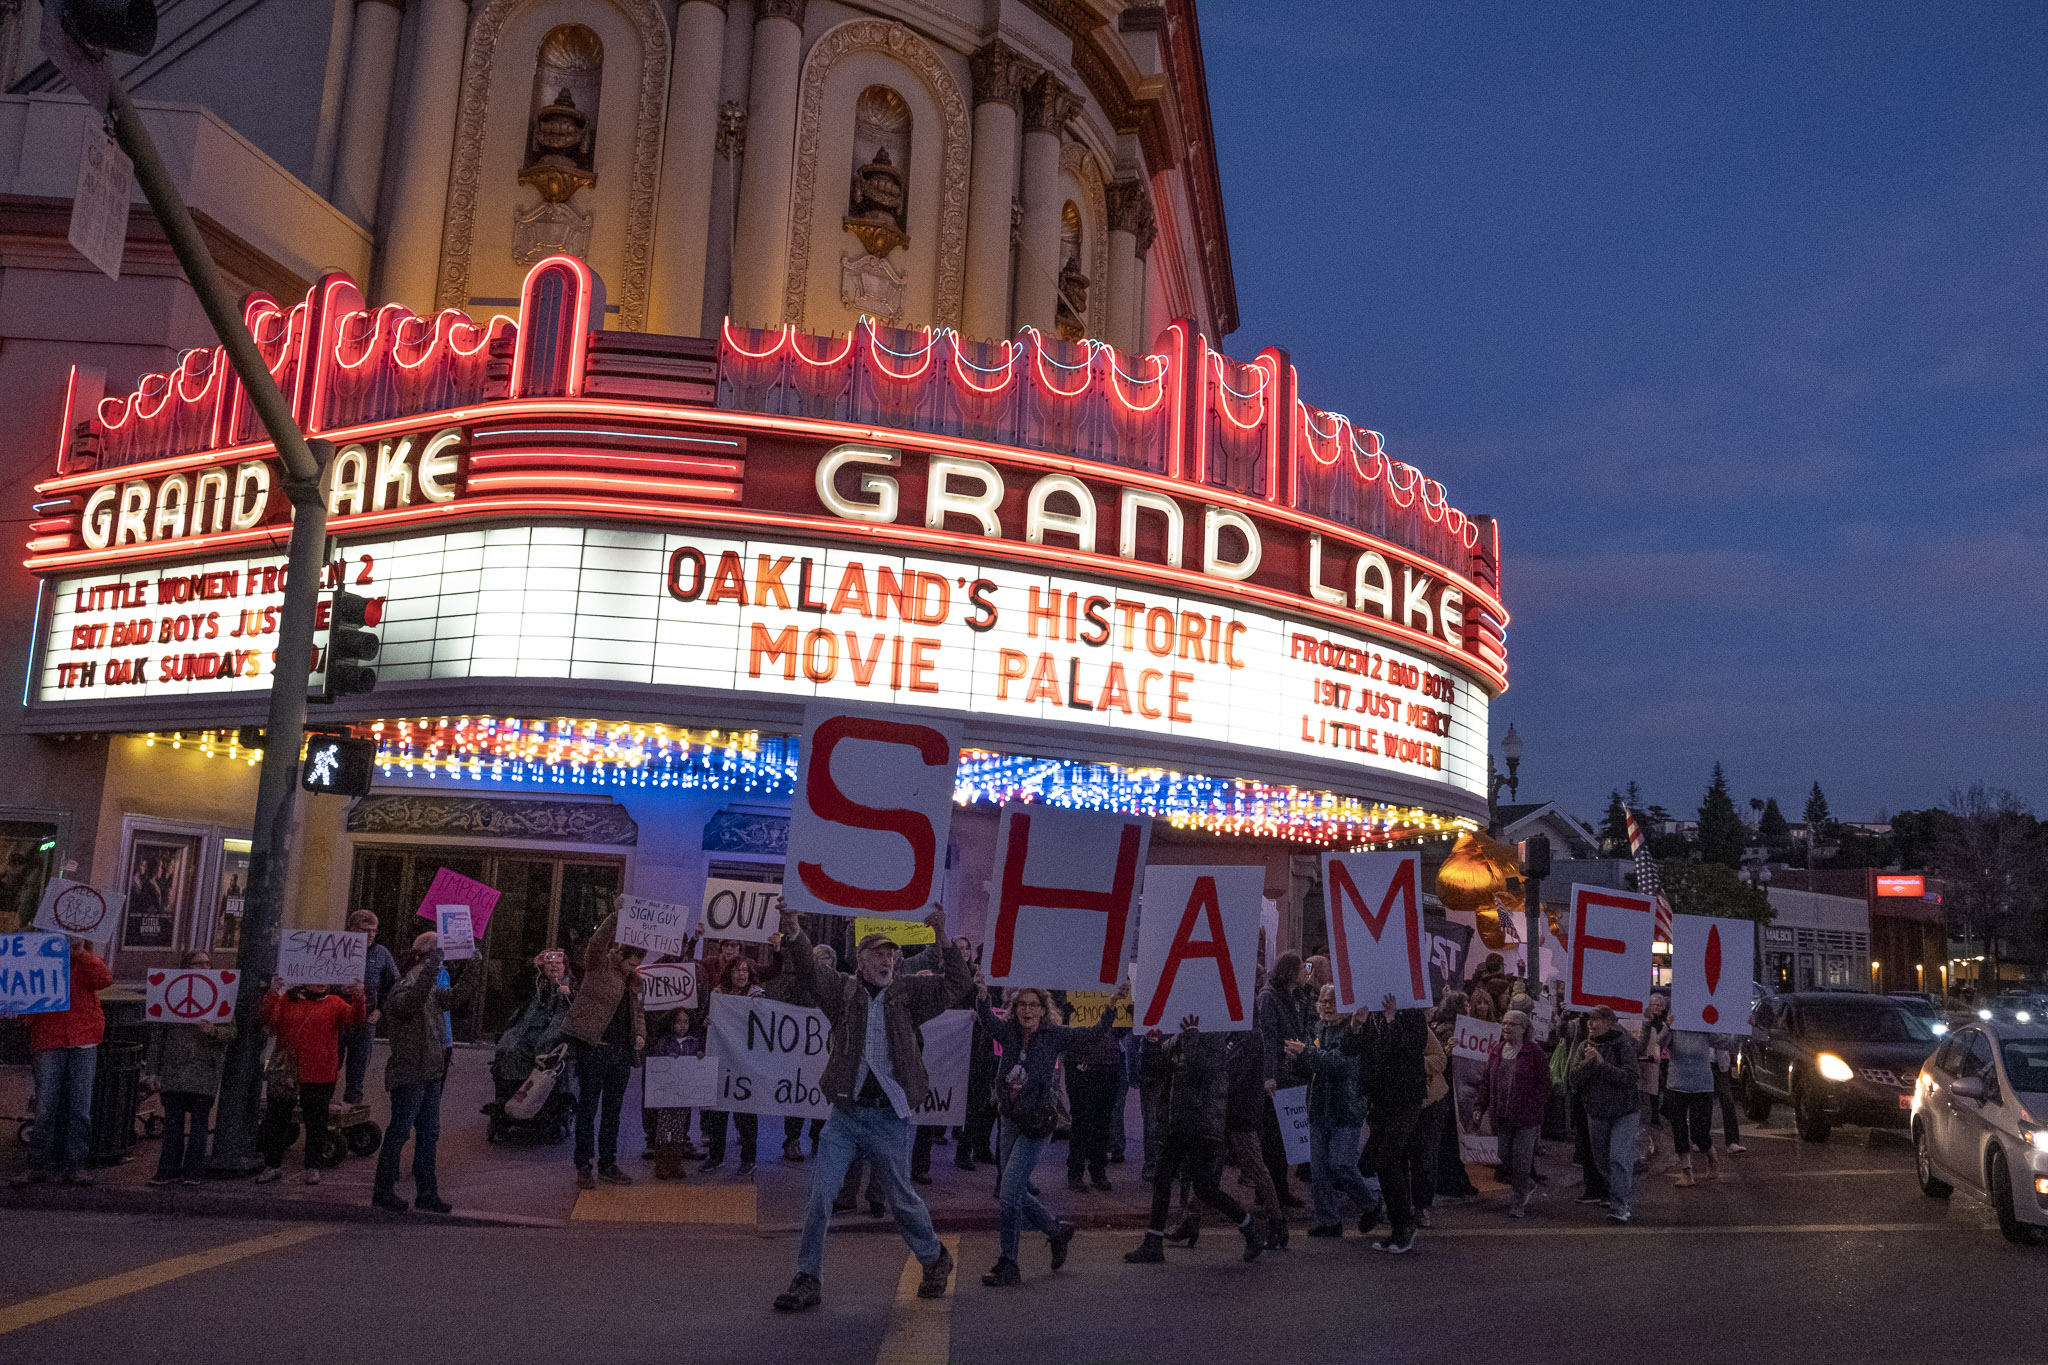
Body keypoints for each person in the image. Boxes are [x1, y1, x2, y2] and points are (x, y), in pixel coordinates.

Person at [771, 907, 965, 1313]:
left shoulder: (909, 993)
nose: (886, 960)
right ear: (860, 960)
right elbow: (808, 970)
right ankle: (808, 1277)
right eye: (878, 953)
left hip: (889, 1116)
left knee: (901, 1199)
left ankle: (934, 1258)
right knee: (821, 1195)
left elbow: (957, 984)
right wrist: (794, 931)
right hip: (846, 1115)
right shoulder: (842, 991)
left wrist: (943, 937)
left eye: (891, 954)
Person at [975, 981, 1125, 1286]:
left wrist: (1111, 1007)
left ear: (1044, 1010)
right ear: (1015, 1009)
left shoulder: (1054, 1036)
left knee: (1009, 1193)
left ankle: (1008, 1264)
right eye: (1022, 1005)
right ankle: (1056, 1231)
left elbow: (1092, 1034)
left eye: (1034, 1005)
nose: (1027, 1010)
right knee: (1013, 1190)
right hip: (1010, 1120)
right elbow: (988, 1020)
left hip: (1037, 1123)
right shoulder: (1008, 1033)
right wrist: (981, 996)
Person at [1124, 1015, 1266, 1265]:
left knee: (1205, 1188)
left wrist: (1190, 1040)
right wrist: (1151, 1044)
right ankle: (1153, 1242)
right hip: (1178, 1121)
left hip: (1203, 1122)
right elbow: (1154, 1070)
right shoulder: (1178, 1037)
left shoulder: (1213, 1035)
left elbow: (1206, 1070)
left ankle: (1249, 1226)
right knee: (1163, 1178)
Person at [14, 938, 114, 1187]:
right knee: (45, 1108)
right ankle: (37, 1165)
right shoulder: (39, 960)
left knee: (80, 1109)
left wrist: (80, 954)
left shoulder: (87, 960)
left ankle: (75, 1165)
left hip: (82, 1039)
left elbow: (104, 979)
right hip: (50, 1037)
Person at [1288, 984, 1381, 1238]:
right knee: (1319, 1170)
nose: (1327, 1006)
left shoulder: (1352, 1033)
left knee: (1341, 1163)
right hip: (1319, 1106)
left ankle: (1371, 1203)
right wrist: (1297, 1058)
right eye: (1324, 1001)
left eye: (1332, 1002)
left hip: (1346, 1107)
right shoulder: (1318, 1028)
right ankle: (1328, 1220)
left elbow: (1337, 1063)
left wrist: (1306, 1052)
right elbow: (1312, 1064)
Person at [564, 907, 646, 1190]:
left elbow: (638, 1013)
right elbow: (597, 943)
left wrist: (640, 1034)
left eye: (637, 964)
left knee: (613, 1111)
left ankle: (608, 1163)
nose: (633, 968)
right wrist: (615, 916)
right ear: (621, 954)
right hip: (596, 1048)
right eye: (631, 962)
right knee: (588, 1108)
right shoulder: (600, 965)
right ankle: (584, 1165)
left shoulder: (635, 982)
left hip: (621, 1053)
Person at [256, 975, 367, 1184]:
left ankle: (313, 1165)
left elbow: (355, 1019)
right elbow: (268, 1019)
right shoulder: (287, 1000)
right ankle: (273, 1164)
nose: (322, 981)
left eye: (325, 977)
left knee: (316, 1121)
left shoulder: (334, 1003)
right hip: (288, 1071)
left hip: (319, 1071)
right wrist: (273, 993)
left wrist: (359, 995)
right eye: (316, 976)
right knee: (277, 1118)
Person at [373, 931, 453, 1213]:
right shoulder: (404, 988)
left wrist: (474, 966)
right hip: (409, 1073)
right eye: (436, 959)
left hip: (429, 1072)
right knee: (399, 1132)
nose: (440, 966)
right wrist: (431, 968)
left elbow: (455, 998)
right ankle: (383, 1190)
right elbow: (411, 1003)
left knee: (429, 1134)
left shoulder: (427, 990)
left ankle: (427, 1192)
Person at [145, 950, 233, 1185]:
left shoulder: (221, 993)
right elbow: (158, 1036)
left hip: (204, 1068)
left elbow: (231, 1032)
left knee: (199, 1124)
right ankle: (168, 1170)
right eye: (197, 963)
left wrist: (212, 1031)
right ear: (186, 967)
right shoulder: (170, 991)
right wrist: (153, 1070)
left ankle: (193, 1171)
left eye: (207, 963)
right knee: (173, 1123)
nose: (204, 967)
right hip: (174, 1067)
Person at [1356, 991, 1429, 1253]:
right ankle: (1398, 1226)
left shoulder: (1413, 1015)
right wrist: (1356, 1027)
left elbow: (1410, 1050)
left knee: (1388, 1160)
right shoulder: (1371, 1015)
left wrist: (1392, 1020)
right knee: (1382, 1163)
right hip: (1381, 1100)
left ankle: (1403, 1225)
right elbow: (1356, 1051)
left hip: (1405, 1098)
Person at [1570, 1005, 1643, 1223]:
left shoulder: (1623, 1045)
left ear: (1609, 1024)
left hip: (1625, 1112)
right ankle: (1617, 1193)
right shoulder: (1584, 1047)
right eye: (1589, 1020)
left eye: (1596, 1020)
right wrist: (1588, 1063)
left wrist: (1602, 1065)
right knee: (1601, 1161)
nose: (1591, 1024)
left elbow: (1630, 1078)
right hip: (1597, 1112)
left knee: (1618, 1157)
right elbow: (1573, 1078)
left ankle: (1620, 1205)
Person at [1479, 1008, 1553, 1218]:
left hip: (1526, 1119)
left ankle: (1519, 1200)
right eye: (1504, 1023)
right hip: (1502, 1115)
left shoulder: (1534, 1053)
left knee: (1521, 1160)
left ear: (1523, 1029)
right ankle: (1525, 1184)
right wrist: (1479, 1107)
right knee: (1504, 1156)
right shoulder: (1496, 1050)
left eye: (1512, 1024)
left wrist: (1533, 1106)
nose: (1506, 1027)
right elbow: (1486, 1081)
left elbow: (1544, 1084)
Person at [1253, 952, 1312, 1208]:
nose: (1305, 973)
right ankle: (1270, 1192)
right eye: (1302, 968)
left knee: (1285, 1138)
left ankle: (1279, 1190)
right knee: (1274, 1139)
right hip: (1279, 1077)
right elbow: (1267, 1039)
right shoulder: (1269, 998)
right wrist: (1269, 1076)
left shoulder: (1297, 997)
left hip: (1293, 1073)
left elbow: (1306, 1030)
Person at [701, 957, 763, 1175]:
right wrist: (707, 1023)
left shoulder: (757, 995)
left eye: (745, 970)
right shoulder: (718, 994)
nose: (741, 974)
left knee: (746, 1113)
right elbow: (708, 1020)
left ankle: (748, 1158)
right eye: (737, 970)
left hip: (746, 1063)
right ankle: (715, 1156)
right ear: (729, 973)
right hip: (723, 1061)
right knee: (718, 1112)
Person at [1224, 1027, 1285, 1248]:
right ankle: (1190, 1219)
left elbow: (1235, 1074)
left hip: (1241, 1111)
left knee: (1255, 1167)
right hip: (1228, 1109)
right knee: (1209, 1168)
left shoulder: (1248, 1036)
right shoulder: (1233, 1033)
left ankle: (1277, 1223)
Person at [493, 948, 574, 1109]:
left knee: (542, 1054)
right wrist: (532, 964)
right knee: (506, 1050)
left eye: (558, 963)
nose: (554, 966)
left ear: (565, 967)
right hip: (526, 1033)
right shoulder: (536, 984)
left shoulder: (572, 986)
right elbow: (514, 987)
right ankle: (507, 1100)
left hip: (552, 1037)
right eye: (550, 962)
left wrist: (571, 995)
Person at [342, 910, 398, 1107]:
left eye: (374, 931)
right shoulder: (337, 947)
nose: (371, 935)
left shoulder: (381, 953)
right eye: (365, 930)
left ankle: (352, 1112)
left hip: (365, 1020)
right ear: (351, 929)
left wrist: (380, 1010)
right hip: (337, 1018)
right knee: (329, 1068)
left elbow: (393, 984)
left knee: (357, 1072)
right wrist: (337, 989)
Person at [1428, 992, 1480, 1201]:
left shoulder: (1460, 1029)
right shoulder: (1447, 1030)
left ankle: (1457, 1180)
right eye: (1464, 1004)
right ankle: (1452, 1181)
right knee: (1449, 1138)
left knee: (1451, 1138)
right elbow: (1440, 1060)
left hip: (1455, 1090)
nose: (1468, 1007)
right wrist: (1447, 1052)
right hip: (1449, 1092)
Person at [643, 1005, 698, 1180]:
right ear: (672, 1023)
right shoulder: (664, 1042)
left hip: (682, 1095)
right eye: (678, 1022)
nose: (682, 1026)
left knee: (678, 1128)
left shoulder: (693, 1043)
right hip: (666, 1095)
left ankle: (675, 1163)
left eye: (686, 1022)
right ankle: (661, 1163)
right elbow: (657, 1061)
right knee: (663, 1127)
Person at [1664, 1027, 1719, 1187]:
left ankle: (1712, 1157)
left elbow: (1725, 1042)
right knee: (1679, 1128)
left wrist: (1747, 1026)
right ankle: (1686, 1171)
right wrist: (1668, 1027)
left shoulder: (1704, 1028)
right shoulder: (1673, 1027)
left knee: (1699, 1132)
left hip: (1702, 1085)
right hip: (1677, 1084)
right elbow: (1661, 1042)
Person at [1637, 990, 1672, 1166]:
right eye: (1654, 1005)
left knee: (1659, 1088)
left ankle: (1657, 1113)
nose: (1657, 1008)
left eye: (1660, 1005)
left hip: (1662, 1060)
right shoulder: (1644, 1023)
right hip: (1648, 1063)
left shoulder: (1666, 1023)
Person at [1711, 1036, 1746, 1154]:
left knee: (1727, 1100)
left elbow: (1732, 1040)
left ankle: (1732, 1141)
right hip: (1703, 1061)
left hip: (1721, 1063)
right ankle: (1700, 1139)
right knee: (1703, 1100)